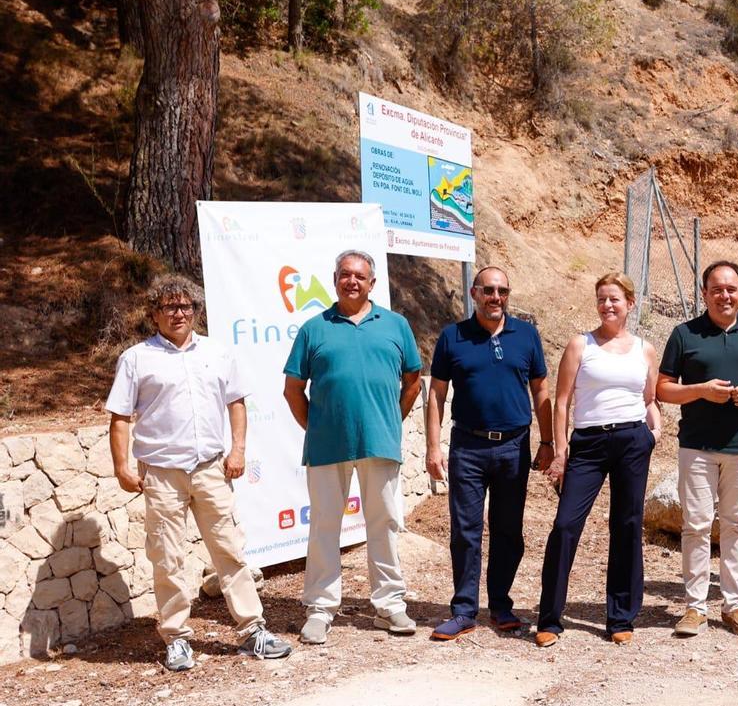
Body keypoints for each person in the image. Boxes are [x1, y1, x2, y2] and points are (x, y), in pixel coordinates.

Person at [106, 274, 291, 672]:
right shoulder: (136, 358)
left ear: (196, 311)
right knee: (168, 559)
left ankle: (253, 631)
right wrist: (121, 466)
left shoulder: (218, 353)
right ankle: (175, 638)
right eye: (169, 306)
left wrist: (238, 450)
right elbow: (120, 418)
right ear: (154, 314)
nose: (178, 313)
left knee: (231, 552)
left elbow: (236, 403)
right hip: (162, 474)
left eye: (186, 306)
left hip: (210, 469)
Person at [283, 250, 422, 645]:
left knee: (385, 523)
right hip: (327, 447)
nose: (352, 282)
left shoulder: (396, 325)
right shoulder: (314, 328)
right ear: (335, 279)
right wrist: (319, 425)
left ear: (372, 283)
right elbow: (293, 389)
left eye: (360, 276)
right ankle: (320, 608)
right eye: (345, 275)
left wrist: (391, 419)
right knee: (325, 526)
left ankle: (390, 604)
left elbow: (413, 380)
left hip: (380, 443)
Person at [425, 266, 553, 641]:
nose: (496, 297)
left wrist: (547, 443)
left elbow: (541, 392)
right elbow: (436, 395)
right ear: (474, 293)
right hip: (468, 446)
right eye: (489, 290)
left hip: (514, 446)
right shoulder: (453, 337)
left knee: (508, 530)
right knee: (465, 530)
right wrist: (433, 447)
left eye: (502, 291)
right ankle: (464, 610)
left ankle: (500, 605)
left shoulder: (526, 335)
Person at [534, 273, 662, 648]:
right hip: (588, 443)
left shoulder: (645, 349)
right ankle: (549, 618)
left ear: (630, 304)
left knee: (626, 525)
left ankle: (620, 617)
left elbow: (650, 398)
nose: (608, 306)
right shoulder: (580, 345)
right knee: (565, 525)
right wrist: (560, 453)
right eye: (602, 299)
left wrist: (653, 434)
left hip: (631, 441)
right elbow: (561, 402)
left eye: (615, 300)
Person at [657, 261, 738, 639]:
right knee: (695, 526)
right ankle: (695, 608)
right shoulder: (684, 334)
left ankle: (734, 604)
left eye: (731, 288)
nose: (724, 295)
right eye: (717, 289)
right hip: (697, 446)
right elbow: (663, 388)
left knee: (736, 523)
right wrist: (700, 390)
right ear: (705, 293)